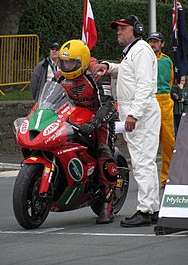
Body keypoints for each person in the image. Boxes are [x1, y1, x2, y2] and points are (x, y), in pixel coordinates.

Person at [91, 15, 161, 227]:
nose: (118, 32)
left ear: (136, 29)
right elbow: (128, 72)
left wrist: (134, 114)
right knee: (143, 162)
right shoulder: (134, 51)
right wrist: (109, 67)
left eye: (123, 28)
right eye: (118, 29)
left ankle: (146, 210)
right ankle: (151, 208)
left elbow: (144, 85)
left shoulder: (139, 50)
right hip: (141, 112)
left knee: (142, 162)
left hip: (142, 114)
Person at [55, 39, 118, 224]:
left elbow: (108, 105)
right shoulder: (59, 75)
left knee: (103, 153)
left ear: (82, 61)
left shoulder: (96, 73)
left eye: (71, 62)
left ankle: (107, 206)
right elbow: (49, 98)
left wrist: (94, 123)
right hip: (73, 116)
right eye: (64, 62)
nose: (67, 66)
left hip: (101, 118)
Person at [147, 32, 175, 188]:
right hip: (150, 100)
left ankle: (166, 178)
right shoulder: (144, 60)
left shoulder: (167, 61)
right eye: (151, 41)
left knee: (169, 142)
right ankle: (148, 179)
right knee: (149, 143)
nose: (153, 44)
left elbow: (170, 81)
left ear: (162, 44)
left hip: (165, 101)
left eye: (156, 42)